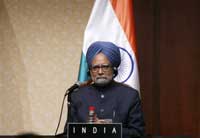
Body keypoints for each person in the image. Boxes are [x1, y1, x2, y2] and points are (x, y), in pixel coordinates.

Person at [64, 41, 145, 137]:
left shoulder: (130, 96)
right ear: (90, 71)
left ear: (114, 69)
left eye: (105, 67)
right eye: (95, 67)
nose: (100, 72)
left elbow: (138, 134)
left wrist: (108, 129)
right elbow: (68, 133)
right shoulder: (77, 96)